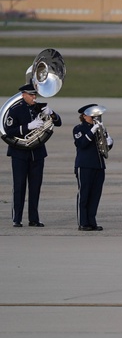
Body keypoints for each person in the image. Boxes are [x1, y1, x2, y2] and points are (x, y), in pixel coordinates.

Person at [5, 83, 62, 227]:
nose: (34, 97)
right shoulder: (15, 110)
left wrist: (52, 113)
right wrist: (27, 127)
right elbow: (8, 131)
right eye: (31, 95)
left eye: (35, 94)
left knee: (35, 187)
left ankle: (34, 218)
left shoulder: (40, 108)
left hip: (37, 153)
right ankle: (16, 219)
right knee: (19, 186)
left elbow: (59, 122)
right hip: (19, 154)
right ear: (23, 95)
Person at [73, 104, 112, 231]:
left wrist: (109, 140)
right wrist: (93, 130)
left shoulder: (99, 128)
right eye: (92, 115)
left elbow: (104, 148)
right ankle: (83, 222)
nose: (95, 117)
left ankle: (92, 221)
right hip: (84, 166)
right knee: (84, 194)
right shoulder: (78, 129)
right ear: (84, 116)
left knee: (95, 195)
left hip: (98, 165)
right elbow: (82, 144)